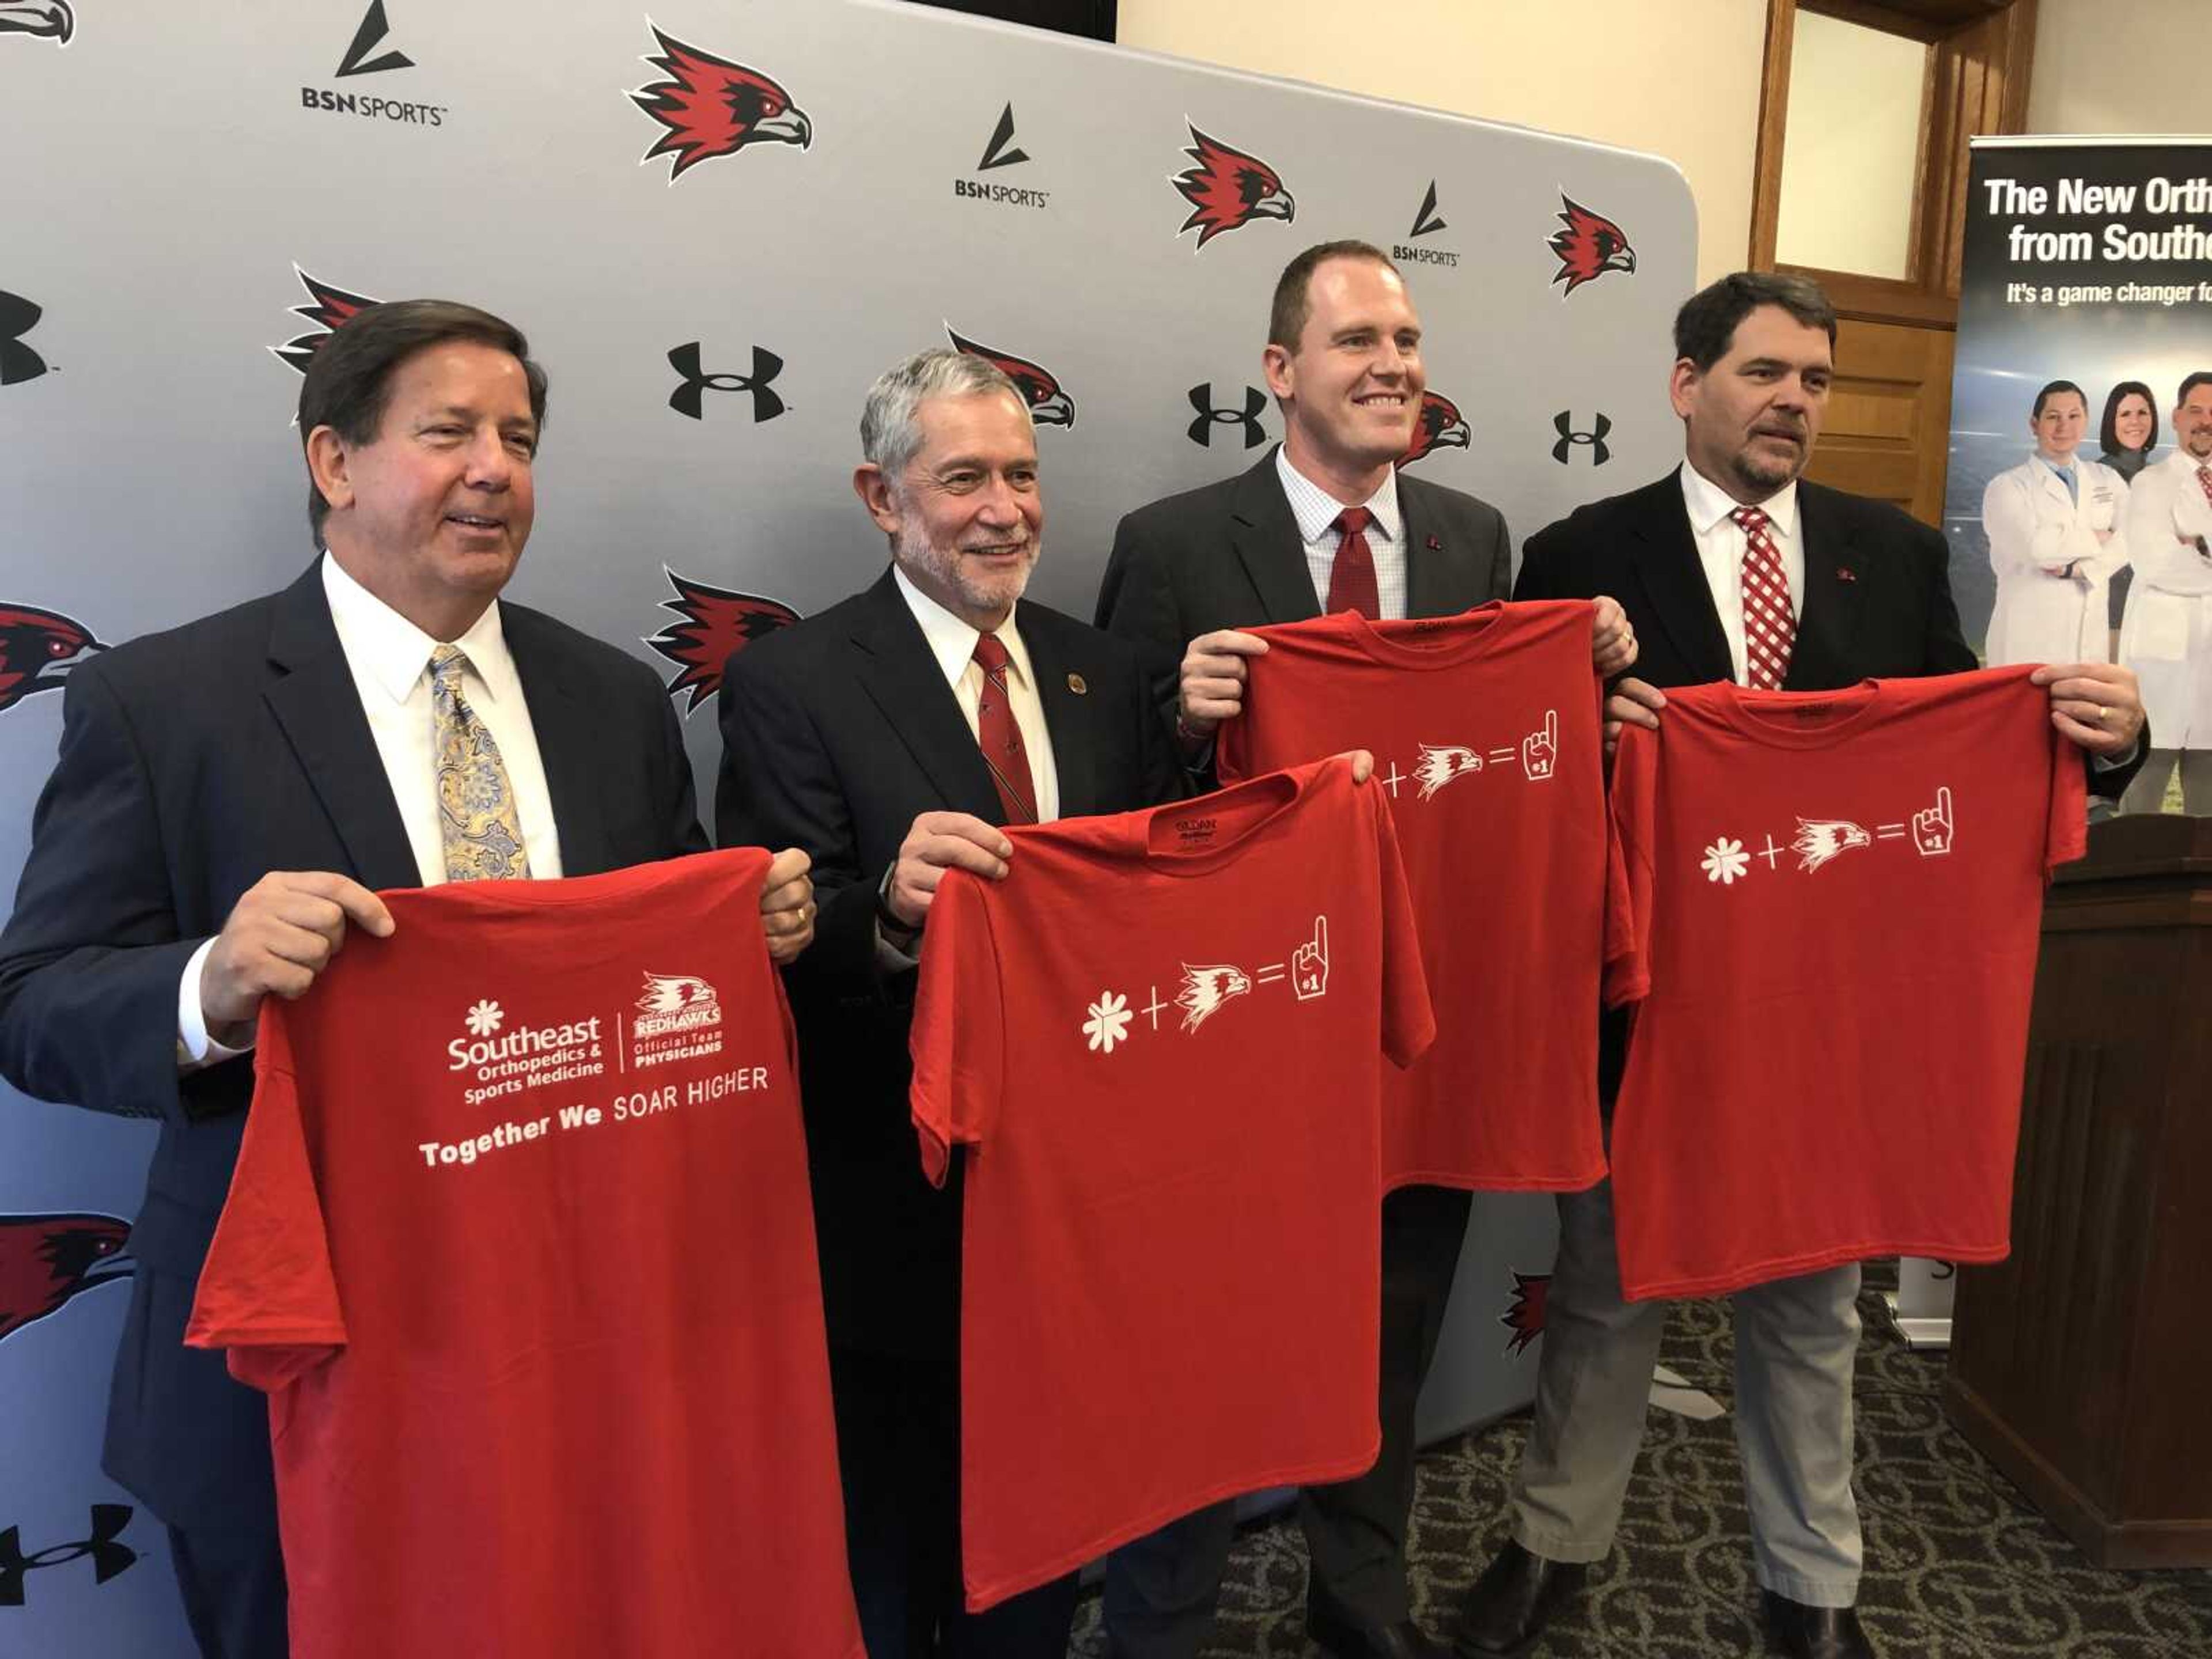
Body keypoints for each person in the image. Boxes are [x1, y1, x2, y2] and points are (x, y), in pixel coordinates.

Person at [0, 299, 815, 1658]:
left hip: (581, 1343)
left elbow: (661, 975)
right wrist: (209, 981)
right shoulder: (166, 700)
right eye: (449, 434)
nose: (495, 467)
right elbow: (32, 1004)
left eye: (518, 437)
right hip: (301, 1363)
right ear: (333, 462)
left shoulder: (613, 700)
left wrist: (750, 932)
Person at [1458, 271, 2145, 1659]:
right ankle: (1552, 1543)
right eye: (1764, 373)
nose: (1792, 403)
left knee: (1812, 1304)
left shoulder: (1884, 553)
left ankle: (1809, 1587)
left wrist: (2102, 737)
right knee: (1604, 1287)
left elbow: (1975, 733)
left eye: (1815, 382)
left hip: (1828, 1008)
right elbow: (1513, 784)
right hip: (1644, 997)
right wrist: (1587, 730)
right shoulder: (1579, 551)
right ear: (1684, 382)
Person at [1093, 239, 1633, 1659]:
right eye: (1356, 342)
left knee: (1390, 1324)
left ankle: (1359, 1592)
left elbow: (1508, 749)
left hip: (1416, 1011)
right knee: (1209, 1334)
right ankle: (1169, 1619)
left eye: (1405, 338)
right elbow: (1105, 795)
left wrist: (1589, 662)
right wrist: (1177, 712)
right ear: (1281, 371)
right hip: (1245, 1018)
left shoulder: (1471, 537)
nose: (1392, 364)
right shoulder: (1170, 543)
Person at [715, 348, 1184, 1658]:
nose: (1004, 510)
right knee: (897, 1552)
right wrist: (893, 916)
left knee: (1038, 1544)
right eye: (964, 477)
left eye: (1022, 476)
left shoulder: (1108, 671)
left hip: (1087, 1197)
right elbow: (771, 956)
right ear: (882, 495)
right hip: (898, 1209)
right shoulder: (792, 682)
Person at [1982, 380, 2129, 668]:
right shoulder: (2007, 486)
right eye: (2053, 417)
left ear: (2085, 422)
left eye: (2074, 416)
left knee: (2084, 711)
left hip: (2089, 642)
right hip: (2027, 641)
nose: (2064, 426)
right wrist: (2097, 537)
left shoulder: (2106, 479)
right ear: (2034, 424)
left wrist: (2081, 569)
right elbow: (2036, 548)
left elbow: (2134, 537)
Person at [2118, 371, 2212, 815]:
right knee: (2146, 783)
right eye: (2196, 411)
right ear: (2176, 418)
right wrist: (2189, 550)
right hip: (2162, 656)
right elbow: (2157, 564)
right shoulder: (2150, 485)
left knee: (2207, 792)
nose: (2206, 421)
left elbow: (2188, 559)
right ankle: (2136, 884)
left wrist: (2197, 543)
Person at [2101, 381, 2161, 631]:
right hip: (2108, 614)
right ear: (2111, 422)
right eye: (2125, 414)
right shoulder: (2096, 476)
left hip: (2155, 613)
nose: (2135, 421)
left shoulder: (2161, 477)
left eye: (2142, 413)